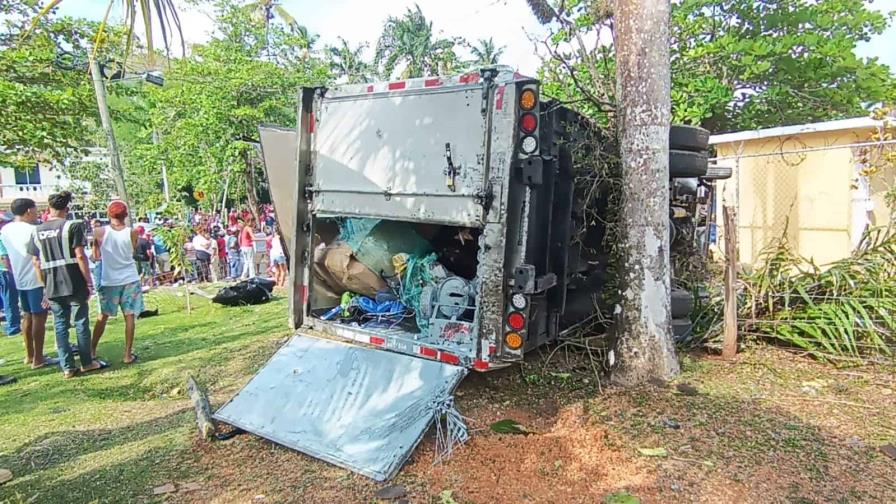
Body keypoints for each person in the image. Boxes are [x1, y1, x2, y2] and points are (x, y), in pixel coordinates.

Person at [28, 191, 104, 378]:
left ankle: (67, 367)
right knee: (80, 321)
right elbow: (80, 255)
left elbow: (36, 262)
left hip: (52, 283)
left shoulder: (36, 230)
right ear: (67, 209)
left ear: (48, 208)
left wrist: (44, 287)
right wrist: (88, 281)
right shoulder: (72, 226)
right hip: (73, 280)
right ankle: (87, 362)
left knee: (60, 324)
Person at [0, 198, 56, 369]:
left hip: (19, 277)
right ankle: (38, 358)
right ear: (28, 211)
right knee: (40, 316)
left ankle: (29, 355)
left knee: (28, 316)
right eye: (34, 210)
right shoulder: (34, 230)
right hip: (36, 278)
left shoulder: (6, 230)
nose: (36, 213)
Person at [92, 201, 143, 364]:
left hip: (109, 279)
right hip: (130, 277)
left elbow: (95, 255)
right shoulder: (132, 232)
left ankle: (91, 350)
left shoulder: (99, 232)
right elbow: (133, 250)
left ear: (108, 214)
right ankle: (127, 354)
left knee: (103, 316)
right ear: (125, 215)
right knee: (129, 316)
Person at [0, 229, 22, 337]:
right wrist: (11, 271)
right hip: (4, 272)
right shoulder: (2, 238)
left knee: (7, 299)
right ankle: (13, 327)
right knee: (10, 299)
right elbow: (4, 257)